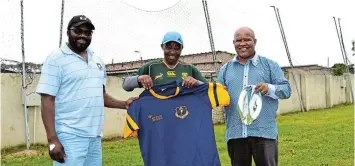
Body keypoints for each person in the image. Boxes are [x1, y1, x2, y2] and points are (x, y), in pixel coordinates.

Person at [36, 15, 137, 166]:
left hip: (94, 136)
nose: (83, 35)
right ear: (68, 32)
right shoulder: (55, 59)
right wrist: (52, 140)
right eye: (78, 30)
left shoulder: (97, 61)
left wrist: (124, 104)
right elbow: (47, 100)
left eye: (87, 32)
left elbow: (100, 95)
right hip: (69, 136)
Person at [217, 27, 291, 166]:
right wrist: (221, 95)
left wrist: (269, 88)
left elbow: (286, 90)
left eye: (247, 39)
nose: (242, 43)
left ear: (254, 41)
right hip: (236, 133)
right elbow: (219, 95)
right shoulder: (225, 69)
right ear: (234, 43)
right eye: (239, 40)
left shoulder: (270, 65)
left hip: (264, 133)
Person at [122, 31, 207, 91]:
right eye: (168, 47)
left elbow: (208, 88)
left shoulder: (189, 68)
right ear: (162, 47)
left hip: (182, 114)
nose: (173, 52)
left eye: (177, 48)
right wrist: (139, 79)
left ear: (182, 48)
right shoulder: (151, 66)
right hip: (157, 114)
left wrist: (196, 83)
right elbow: (125, 85)